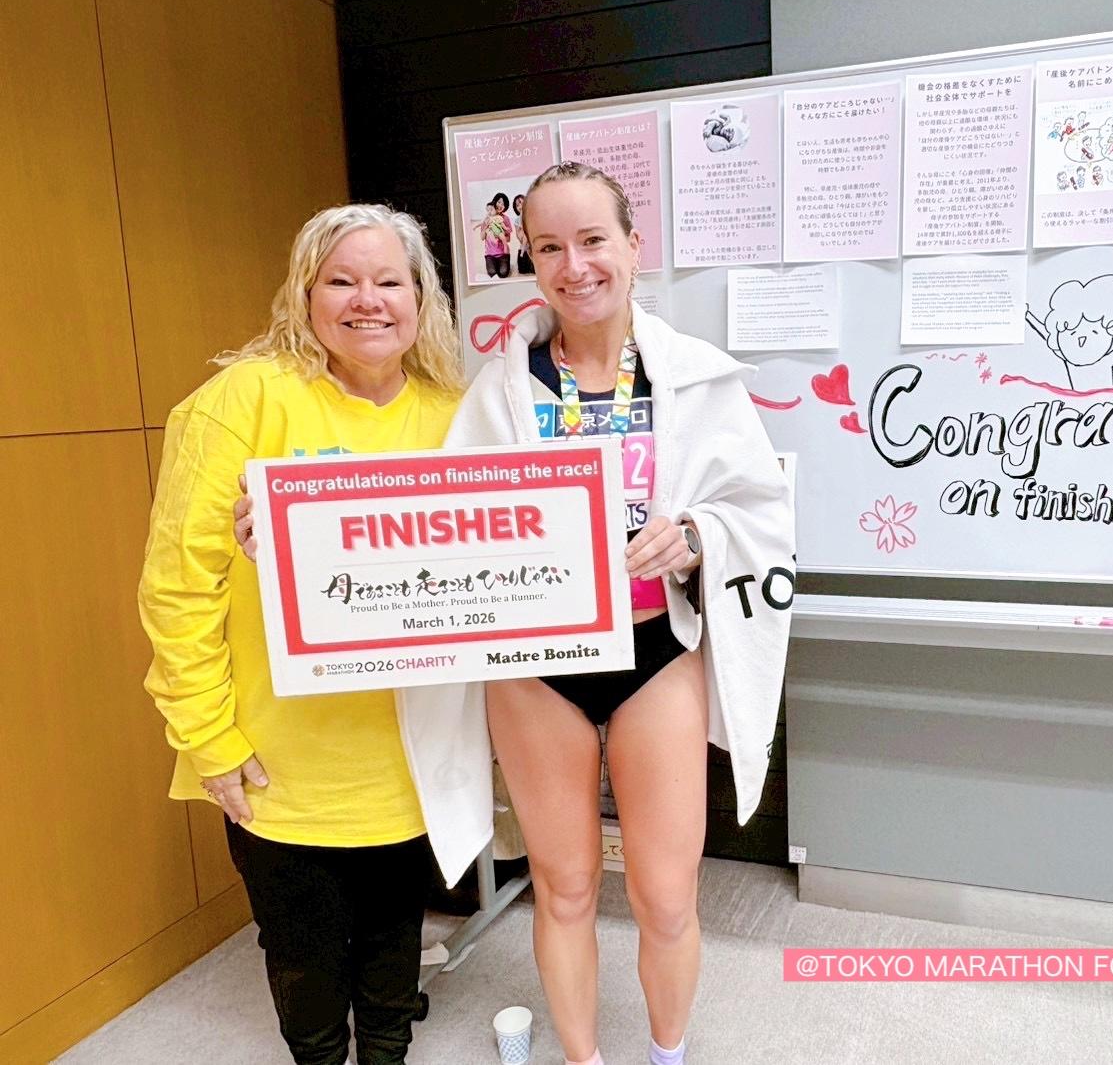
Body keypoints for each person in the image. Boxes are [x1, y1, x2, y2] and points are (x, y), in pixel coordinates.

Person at [402, 161, 795, 1065]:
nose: (574, 266)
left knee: (666, 895)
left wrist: (694, 534)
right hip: (535, 665)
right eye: (549, 247)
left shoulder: (693, 380)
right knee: (566, 886)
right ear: (530, 261)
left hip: (655, 651)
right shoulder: (498, 392)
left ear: (632, 245)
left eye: (591, 240)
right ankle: (582, 1060)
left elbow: (758, 512)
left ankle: (666, 1056)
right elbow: (442, 521)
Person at [139, 203, 464, 1065]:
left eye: (389, 281)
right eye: (341, 281)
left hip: (413, 748)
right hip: (280, 758)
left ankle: (387, 1053)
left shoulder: (455, 413)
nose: (368, 300)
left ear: (420, 297)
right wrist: (209, 738)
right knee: (303, 955)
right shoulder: (243, 400)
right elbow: (177, 587)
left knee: (394, 939)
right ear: (305, 295)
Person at [513, 192, 534, 275]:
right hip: (523, 247)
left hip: (532, 248)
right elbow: (519, 237)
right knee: (522, 270)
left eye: (522, 203)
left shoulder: (532, 217)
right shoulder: (516, 220)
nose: (520, 206)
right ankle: (523, 253)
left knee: (534, 270)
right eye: (517, 205)